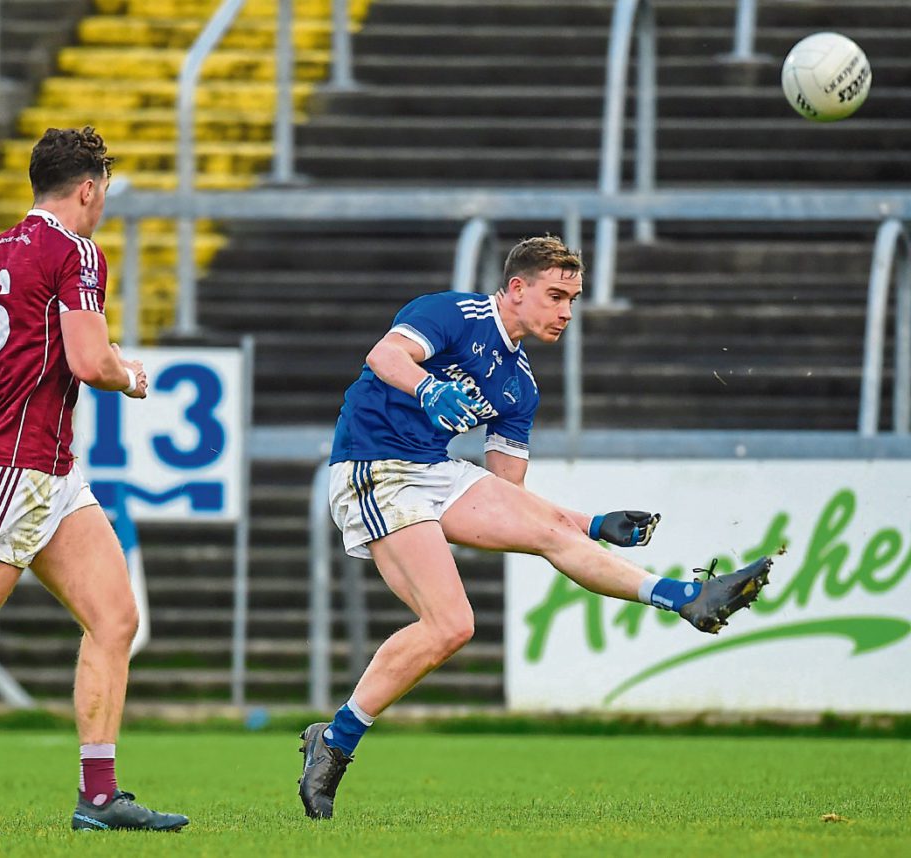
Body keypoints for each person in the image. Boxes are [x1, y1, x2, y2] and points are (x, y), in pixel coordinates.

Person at [298, 235, 772, 820]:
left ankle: (685, 597)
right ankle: (335, 741)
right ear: (517, 289)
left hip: (434, 469)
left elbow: (509, 496)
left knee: (552, 533)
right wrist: (428, 385)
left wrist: (591, 523)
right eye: (556, 296)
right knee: (451, 625)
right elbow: (384, 358)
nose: (566, 312)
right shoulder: (451, 312)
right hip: (375, 466)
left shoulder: (519, 385)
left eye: (573, 299)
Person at [0, 127, 187, 833]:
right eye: (104, 190)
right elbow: (89, 362)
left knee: (114, 618)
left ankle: (101, 798)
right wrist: (132, 375)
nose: (103, 203)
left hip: (50, 472)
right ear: (88, 188)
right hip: (13, 472)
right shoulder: (76, 251)